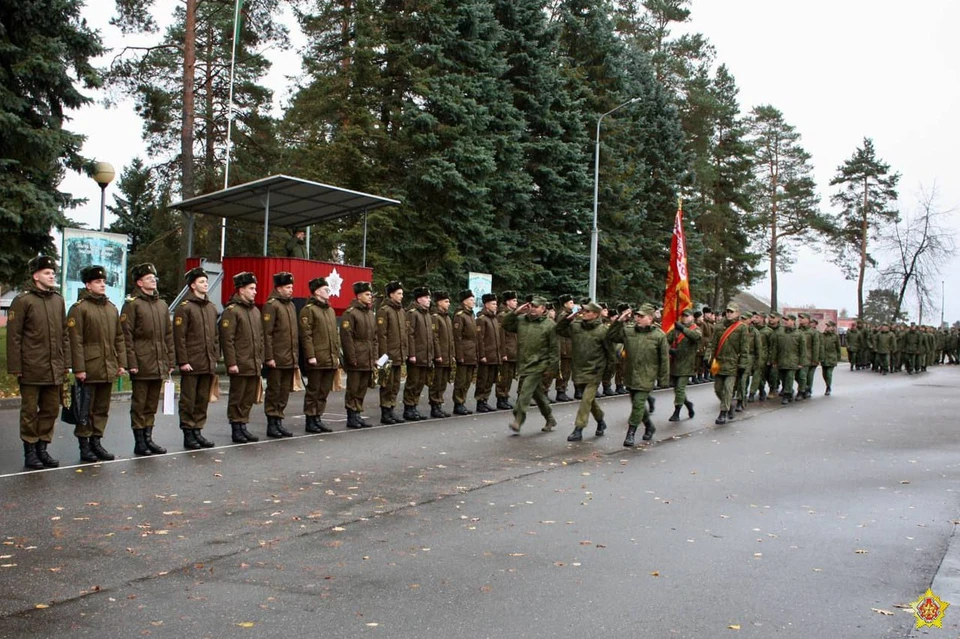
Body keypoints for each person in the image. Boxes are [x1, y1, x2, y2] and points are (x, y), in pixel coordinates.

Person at [6, 256, 69, 469]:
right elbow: (14, 337)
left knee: (51, 409)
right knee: (30, 411)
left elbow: (64, 335)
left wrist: (65, 363)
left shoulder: (58, 300)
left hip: (54, 367)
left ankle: (43, 448)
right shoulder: (23, 301)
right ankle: (30, 451)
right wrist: (16, 367)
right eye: (47, 272)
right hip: (32, 366)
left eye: (53, 272)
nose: (52, 275)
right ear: (35, 276)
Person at [67, 265, 128, 462]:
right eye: (97, 282)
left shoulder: (111, 308)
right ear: (87, 284)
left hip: (108, 364)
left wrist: (121, 362)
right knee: (86, 408)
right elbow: (74, 340)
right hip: (90, 366)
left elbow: (119, 337)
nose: (102, 284)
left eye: (103, 281)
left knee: (102, 408)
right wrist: (79, 368)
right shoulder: (79, 308)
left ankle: (96, 441)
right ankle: (84, 445)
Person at [121, 263, 175, 456]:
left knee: (151, 404)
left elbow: (168, 336)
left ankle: (149, 438)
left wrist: (170, 361)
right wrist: (131, 363)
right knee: (140, 404)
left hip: (159, 362)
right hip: (142, 362)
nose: (153, 279)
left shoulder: (162, 305)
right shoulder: (132, 304)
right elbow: (126, 336)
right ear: (139, 282)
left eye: (154, 276)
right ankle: (139, 441)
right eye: (148, 277)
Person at [607, 304, 669, 446]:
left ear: (651, 318)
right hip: (630, 374)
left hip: (647, 375)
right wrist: (619, 321)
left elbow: (664, 359)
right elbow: (611, 336)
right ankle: (649, 426)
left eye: (642, 316)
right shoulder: (629, 331)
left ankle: (631, 433)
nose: (638, 318)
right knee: (637, 404)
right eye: (637, 316)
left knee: (638, 403)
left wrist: (663, 379)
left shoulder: (659, 335)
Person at [555, 302, 615, 441]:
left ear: (595, 314)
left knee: (586, 400)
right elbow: (559, 330)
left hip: (595, 370)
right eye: (583, 311)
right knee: (588, 400)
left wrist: (607, 374)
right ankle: (600, 421)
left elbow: (610, 354)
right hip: (579, 368)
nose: (583, 313)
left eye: (587, 311)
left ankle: (579, 428)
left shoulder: (603, 330)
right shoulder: (576, 326)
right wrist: (569, 318)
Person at [173, 266, 219, 449]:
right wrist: (183, 361)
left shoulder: (211, 308)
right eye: (201, 281)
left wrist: (214, 357)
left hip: (206, 362)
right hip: (191, 362)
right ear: (192, 285)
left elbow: (215, 336)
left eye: (206, 281)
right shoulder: (185, 308)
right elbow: (180, 337)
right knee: (189, 400)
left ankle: (198, 430)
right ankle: (188, 432)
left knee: (201, 400)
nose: (205, 284)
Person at [502, 297, 558, 434]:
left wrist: (551, 368)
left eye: (536, 307)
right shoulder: (521, 321)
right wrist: (515, 312)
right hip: (524, 363)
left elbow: (555, 349)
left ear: (543, 309)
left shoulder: (550, 325)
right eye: (531, 306)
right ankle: (550, 418)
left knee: (525, 391)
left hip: (539, 364)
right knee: (538, 395)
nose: (533, 309)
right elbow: (506, 325)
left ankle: (518, 419)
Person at [220, 272, 264, 444]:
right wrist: (231, 363)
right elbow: (227, 339)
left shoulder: (255, 311)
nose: (255, 292)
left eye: (255, 288)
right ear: (241, 290)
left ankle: (243, 424)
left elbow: (260, 337)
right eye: (251, 288)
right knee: (237, 397)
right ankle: (236, 428)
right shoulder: (232, 311)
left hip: (253, 362)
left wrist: (261, 358)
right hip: (240, 362)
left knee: (248, 397)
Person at [299, 277, 338, 433]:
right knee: (314, 390)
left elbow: (334, 335)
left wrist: (336, 355)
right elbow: (306, 335)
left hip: (329, 357)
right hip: (317, 357)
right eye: (325, 289)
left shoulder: (330, 310)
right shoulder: (309, 310)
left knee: (324, 390)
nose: (328, 292)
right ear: (316, 291)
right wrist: (310, 356)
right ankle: (310, 418)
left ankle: (318, 417)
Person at [263, 272, 298, 438]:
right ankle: (271, 422)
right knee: (274, 391)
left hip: (289, 357)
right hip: (276, 357)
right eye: (287, 287)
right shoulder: (272, 305)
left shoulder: (290, 306)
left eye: (291, 287)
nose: (290, 290)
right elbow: (267, 333)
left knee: (284, 392)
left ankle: (279, 419)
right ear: (278, 288)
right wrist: (269, 357)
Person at [340, 281, 377, 428]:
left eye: (370, 295)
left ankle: (358, 413)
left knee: (362, 387)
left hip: (367, 357)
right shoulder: (351, 313)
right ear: (359, 295)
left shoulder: (369, 314)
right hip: (357, 356)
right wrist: (351, 357)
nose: (370, 297)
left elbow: (374, 337)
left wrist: (375, 357)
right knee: (353, 388)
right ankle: (351, 415)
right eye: (367, 295)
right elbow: (347, 338)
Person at [710, 302, 748, 425]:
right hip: (719, 363)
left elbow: (744, 349)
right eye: (728, 311)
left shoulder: (742, 328)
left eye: (732, 312)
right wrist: (708, 359)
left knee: (728, 389)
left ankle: (723, 412)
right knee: (718, 389)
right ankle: (728, 406)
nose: (729, 314)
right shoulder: (719, 327)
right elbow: (713, 344)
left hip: (733, 364)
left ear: (737, 313)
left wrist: (742, 365)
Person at [377, 281, 409, 424]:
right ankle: (385, 412)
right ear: (391, 294)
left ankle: (391, 409)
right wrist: (384, 357)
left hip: (399, 354)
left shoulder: (401, 311)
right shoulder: (384, 310)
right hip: (388, 356)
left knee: (395, 384)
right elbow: (381, 335)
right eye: (399, 293)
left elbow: (404, 334)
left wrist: (404, 352)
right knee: (387, 385)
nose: (402, 296)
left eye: (402, 293)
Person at [403, 287, 436, 421]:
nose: (429, 300)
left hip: (425, 355)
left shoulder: (426, 314)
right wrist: (411, 354)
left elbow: (430, 337)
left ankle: (414, 406)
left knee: (420, 382)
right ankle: (408, 407)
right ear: (419, 299)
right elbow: (410, 335)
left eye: (429, 298)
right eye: (426, 297)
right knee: (413, 382)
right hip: (416, 355)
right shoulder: (413, 313)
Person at [665, 308, 700, 422]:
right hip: (675, 363)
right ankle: (688, 404)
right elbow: (665, 341)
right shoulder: (676, 330)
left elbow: (695, 337)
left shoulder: (696, 329)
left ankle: (677, 412)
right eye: (683, 316)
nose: (684, 318)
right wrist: (669, 350)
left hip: (686, 364)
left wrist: (682, 329)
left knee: (680, 388)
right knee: (676, 389)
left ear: (692, 317)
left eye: (687, 316)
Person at [475, 293, 503, 413]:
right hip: (486, 355)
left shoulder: (494, 319)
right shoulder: (482, 319)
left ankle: (485, 400)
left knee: (491, 379)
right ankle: (480, 401)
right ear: (486, 305)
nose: (495, 306)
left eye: (496, 304)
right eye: (493, 304)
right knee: (483, 379)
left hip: (494, 356)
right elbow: (480, 339)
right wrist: (482, 355)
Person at [452, 289, 479, 415]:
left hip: (471, 352)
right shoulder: (460, 316)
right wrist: (459, 355)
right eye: (470, 300)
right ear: (464, 301)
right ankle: (458, 403)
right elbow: (457, 337)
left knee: (468, 380)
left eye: (473, 300)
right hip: (464, 352)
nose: (473, 302)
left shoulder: (471, 315)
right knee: (461, 380)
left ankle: (462, 401)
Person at [429, 291, 455, 418]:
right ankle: (435, 406)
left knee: (443, 382)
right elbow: (435, 338)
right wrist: (438, 354)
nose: (448, 304)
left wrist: (452, 354)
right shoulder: (435, 317)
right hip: (440, 356)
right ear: (439, 302)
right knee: (437, 382)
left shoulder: (447, 317)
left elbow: (450, 339)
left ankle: (439, 404)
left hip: (447, 355)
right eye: (446, 301)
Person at [770, 314, 802, 404]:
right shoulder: (780, 333)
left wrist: (801, 362)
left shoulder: (799, 334)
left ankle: (786, 395)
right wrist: (774, 360)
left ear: (793, 321)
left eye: (787, 320)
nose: (785, 322)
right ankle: (789, 391)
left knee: (789, 378)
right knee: (783, 378)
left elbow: (802, 350)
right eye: (784, 320)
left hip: (793, 361)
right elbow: (775, 348)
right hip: (781, 360)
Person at [495, 291, 519, 410]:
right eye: (514, 300)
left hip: (513, 350)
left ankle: (505, 396)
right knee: (504, 376)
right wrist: (503, 353)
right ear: (507, 302)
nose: (516, 303)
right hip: (507, 351)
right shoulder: (502, 315)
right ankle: (501, 398)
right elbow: (501, 336)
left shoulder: (513, 315)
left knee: (509, 376)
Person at [553, 294, 575, 402]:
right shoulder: (563, 314)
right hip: (565, 346)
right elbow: (561, 327)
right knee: (564, 370)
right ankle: (560, 391)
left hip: (570, 346)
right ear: (565, 304)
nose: (573, 304)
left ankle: (563, 389)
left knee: (567, 371)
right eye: (570, 302)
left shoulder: (570, 314)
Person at [820, 320, 841, 395]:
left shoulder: (835, 336)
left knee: (829, 373)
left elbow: (838, 348)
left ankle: (828, 387)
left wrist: (838, 357)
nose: (827, 327)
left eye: (829, 326)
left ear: (833, 327)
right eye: (827, 326)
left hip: (832, 357)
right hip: (824, 357)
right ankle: (827, 384)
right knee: (824, 374)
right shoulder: (822, 335)